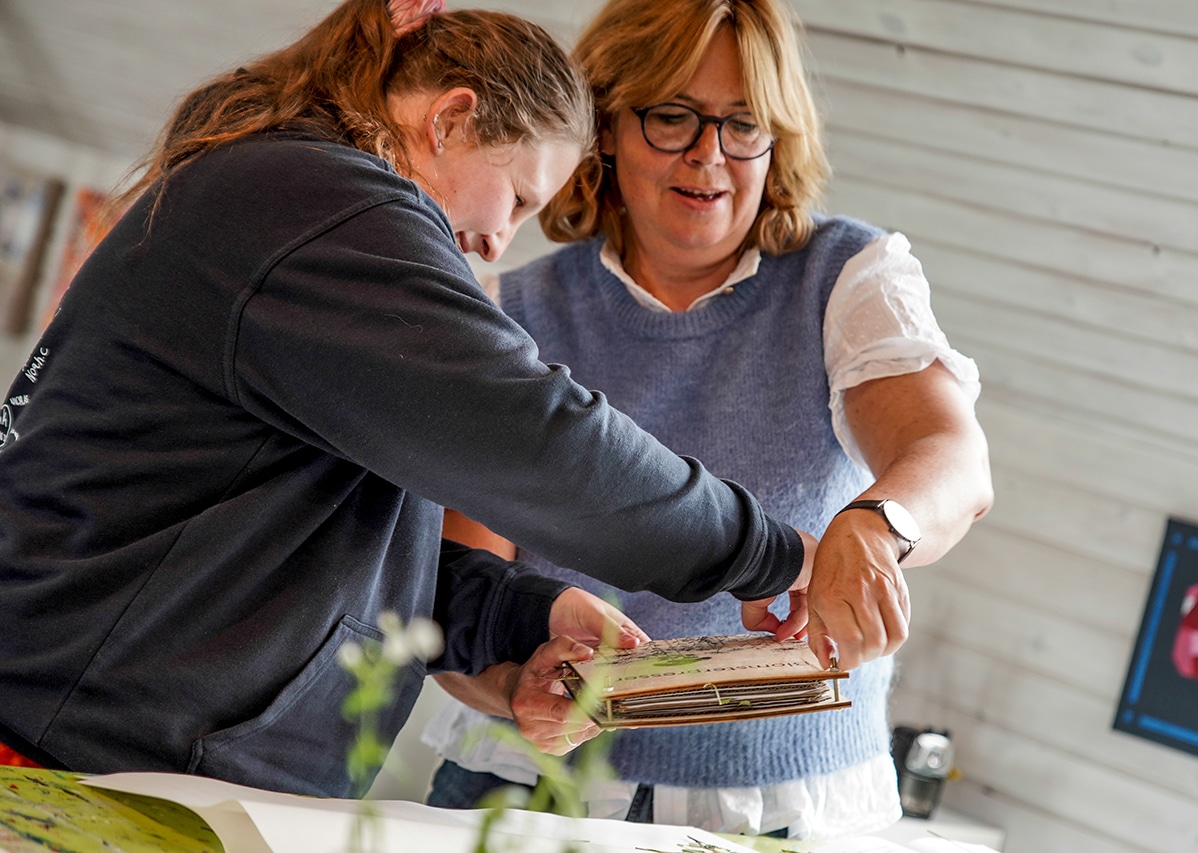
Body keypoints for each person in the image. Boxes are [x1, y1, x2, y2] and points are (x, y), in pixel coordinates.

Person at [0, 0, 823, 798]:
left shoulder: (295, 209)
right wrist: (769, 555)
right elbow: (536, 438)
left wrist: (520, 617)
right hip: (80, 762)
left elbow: (336, 546)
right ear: (453, 120)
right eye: (518, 200)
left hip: (124, 752)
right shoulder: (316, 203)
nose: (501, 240)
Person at [422, 0, 993, 839]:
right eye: (673, 118)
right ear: (607, 124)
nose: (709, 157)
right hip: (531, 788)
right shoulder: (513, 310)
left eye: (742, 125)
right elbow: (457, 592)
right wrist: (515, 689)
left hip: (781, 803)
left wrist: (874, 528)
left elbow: (951, 456)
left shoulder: (847, 278)